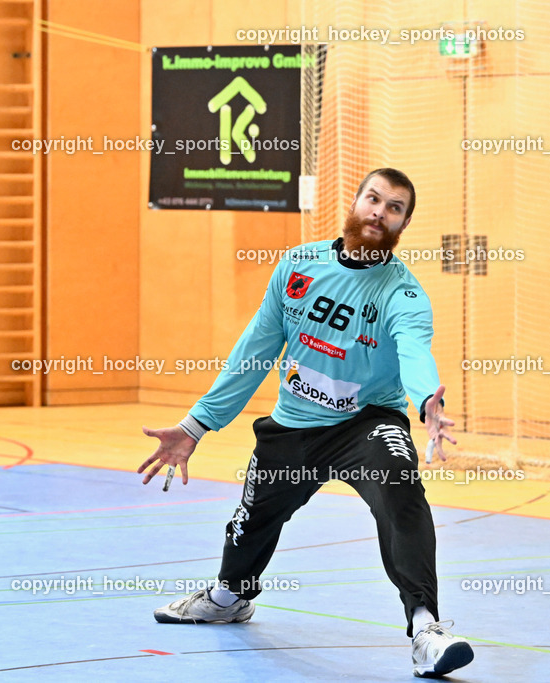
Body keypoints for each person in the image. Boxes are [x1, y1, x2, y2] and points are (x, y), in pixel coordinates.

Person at [138, 168, 474, 678]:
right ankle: (229, 598)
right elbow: (255, 349)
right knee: (251, 523)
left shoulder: (403, 294)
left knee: (400, 489)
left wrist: (426, 398)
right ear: (355, 201)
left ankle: (426, 629)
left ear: (405, 224)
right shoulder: (298, 265)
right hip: (294, 424)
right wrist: (195, 425)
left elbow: (413, 350)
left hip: (366, 424)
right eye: (374, 199)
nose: (380, 212)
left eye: (395, 207)